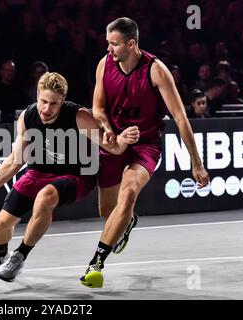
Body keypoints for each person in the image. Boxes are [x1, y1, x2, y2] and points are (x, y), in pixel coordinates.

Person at [80, 17, 209, 288]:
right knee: (108, 212)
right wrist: (108, 130)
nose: (109, 50)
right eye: (107, 44)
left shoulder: (156, 70)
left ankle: (96, 264)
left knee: (128, 193)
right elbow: (98, 109)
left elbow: (180, 118)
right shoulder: (104, 65)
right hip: (114, 144)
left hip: (145, 147)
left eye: (114, 44)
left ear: (131, 43)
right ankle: (127, 221)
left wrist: (196, 163)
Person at [0, 72, 139, 282]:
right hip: (38, 172)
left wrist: (122, 141)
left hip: (76, 175)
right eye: (43, 101)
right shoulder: (28, 116)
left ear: (62, 101)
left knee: (46, 197)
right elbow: (15, 161)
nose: (47, 108)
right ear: (37, 95)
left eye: (54, 103)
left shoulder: (78, 116)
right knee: (1, 225)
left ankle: (19, 256)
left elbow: (112, 148)